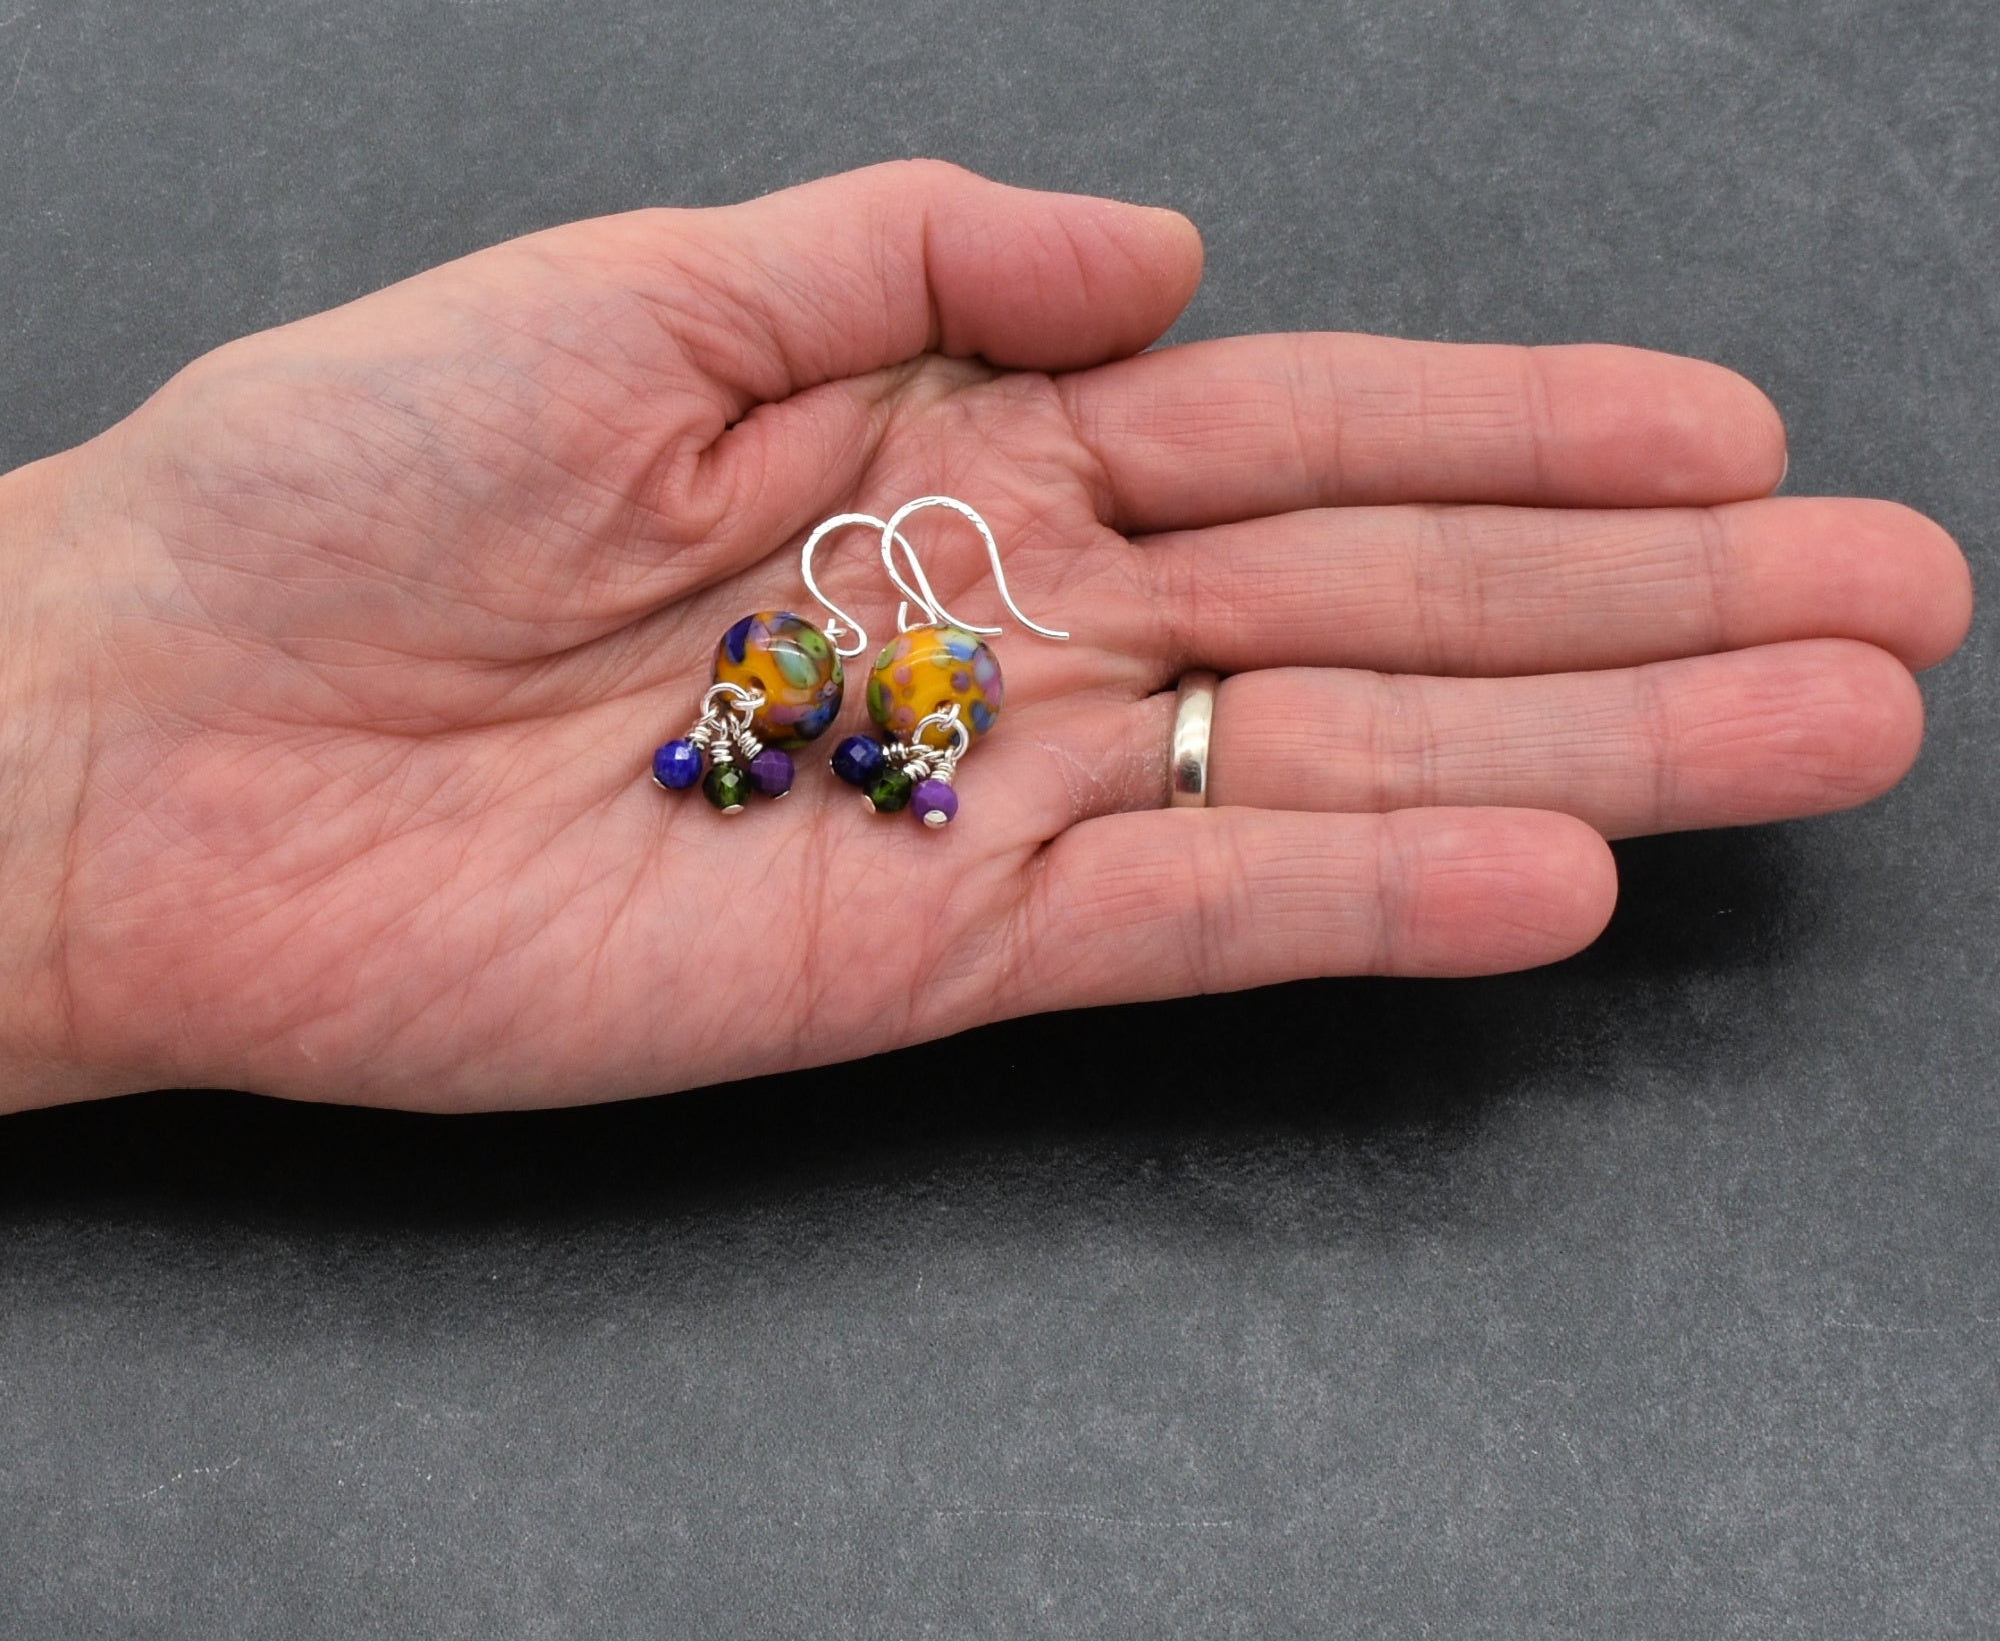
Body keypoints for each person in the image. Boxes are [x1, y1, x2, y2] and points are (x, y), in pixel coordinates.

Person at [0, 161, 1971, 1115]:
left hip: (879, 695)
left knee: (889, 725)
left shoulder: (921, 666)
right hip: (807, 689)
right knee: (795, 714)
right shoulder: (810, 652)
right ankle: (776, 737)